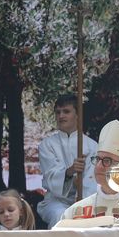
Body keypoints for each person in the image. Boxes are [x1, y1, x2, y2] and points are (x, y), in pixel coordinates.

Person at [36, 95, 99, 227]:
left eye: (66, 111)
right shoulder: (47, 145)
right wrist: (69, 172)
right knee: (60, 216)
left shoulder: (92, 146)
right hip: (56, 201)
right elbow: (50, 176)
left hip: (87, 200)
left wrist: (82, 203)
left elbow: (92, 180)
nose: (61, 116)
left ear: (77, 115)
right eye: (58, 112)